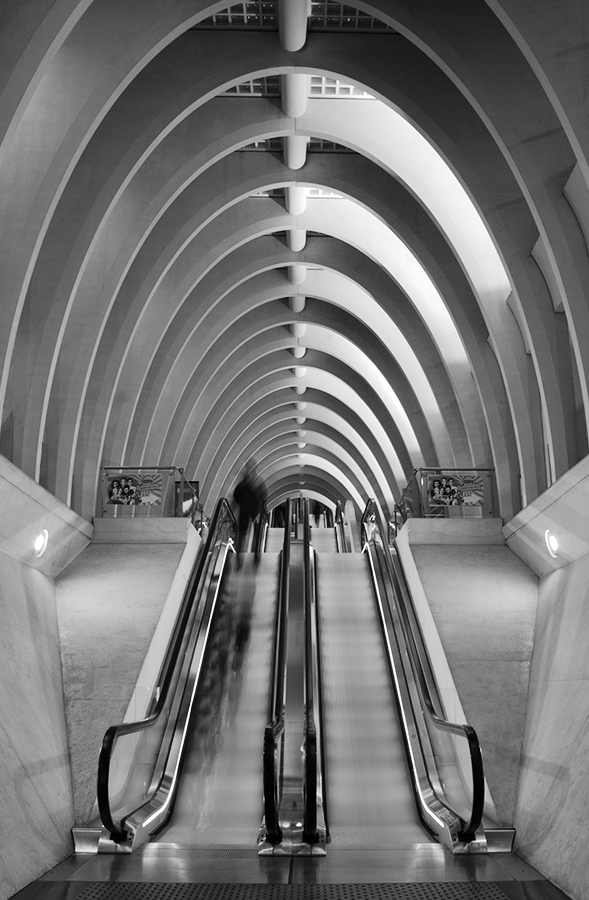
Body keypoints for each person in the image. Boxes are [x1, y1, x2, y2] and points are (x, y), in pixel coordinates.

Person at [233, 462, 266, 567]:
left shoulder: (254, 484)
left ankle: (256, 556)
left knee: (255, 535)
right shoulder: (245, 485)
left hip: (254, 513)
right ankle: (239, 558)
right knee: (242, 536)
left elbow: (263, 497)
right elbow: (236, 495)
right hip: (245, 513)